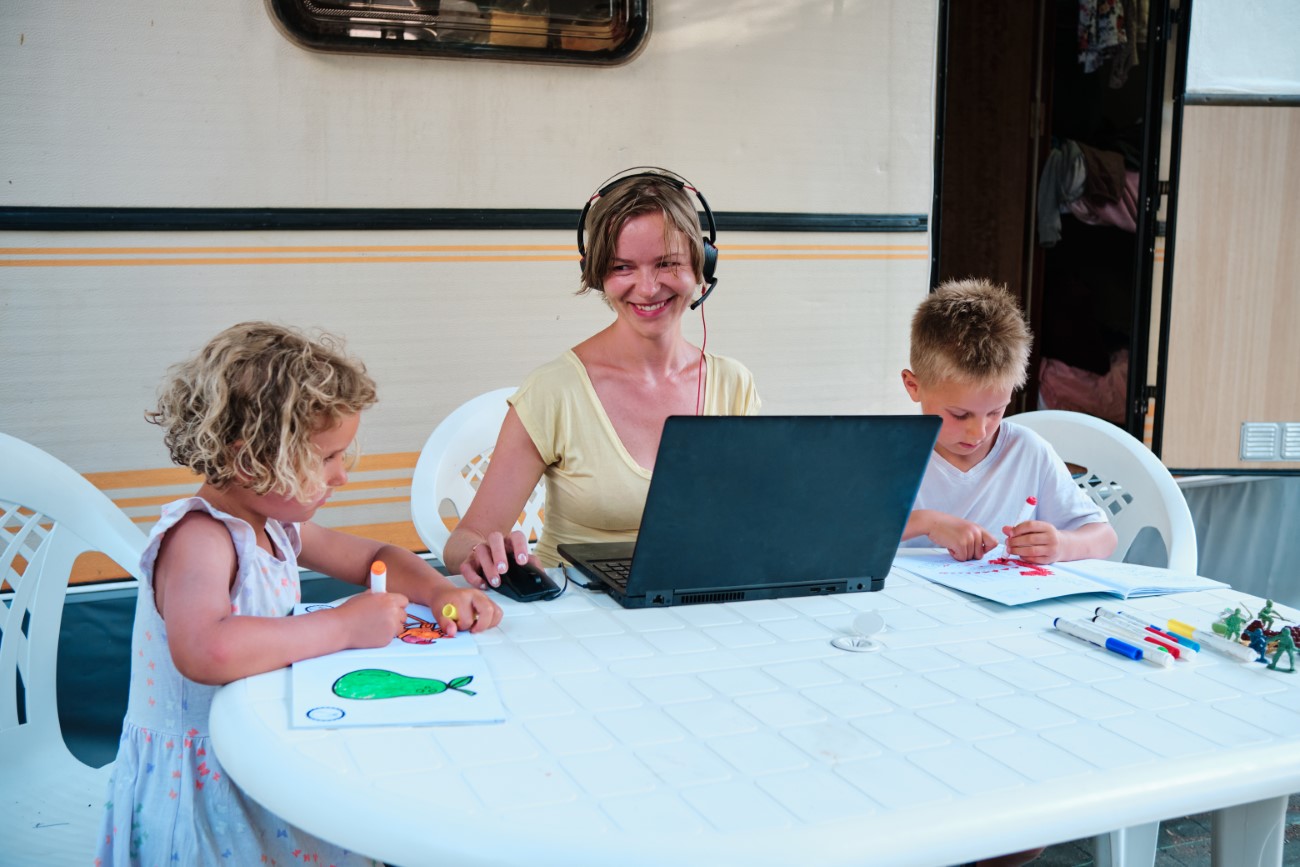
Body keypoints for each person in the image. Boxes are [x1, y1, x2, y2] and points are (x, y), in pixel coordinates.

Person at [96, 321, 501, 866]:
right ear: (250, 460)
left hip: (262, 751)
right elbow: (205, 650)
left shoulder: (276, 524)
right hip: (205, 785)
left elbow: (376, 557)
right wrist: (342, 627)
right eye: (327, 458)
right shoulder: (200, 539)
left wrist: (438, 592)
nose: (342, 477)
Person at [442, 168, 760, 585]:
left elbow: (754, 519)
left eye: (666, 263)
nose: (647, 288)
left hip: (695, 598)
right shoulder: (554, 389)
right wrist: (483, 554)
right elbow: (464, 539)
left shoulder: (733, 385)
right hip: (580, 609)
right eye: (623, 267)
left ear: (702, 265)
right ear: (598, 275)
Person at [900, 278, 1118, 565]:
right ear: (913, 386)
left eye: (995, 412)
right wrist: (926, 523)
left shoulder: (1027, 451)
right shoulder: (891, 454)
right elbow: (837, 535)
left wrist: (1062, 544)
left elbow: (1104, 537)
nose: (979, 432)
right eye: (960, 414)